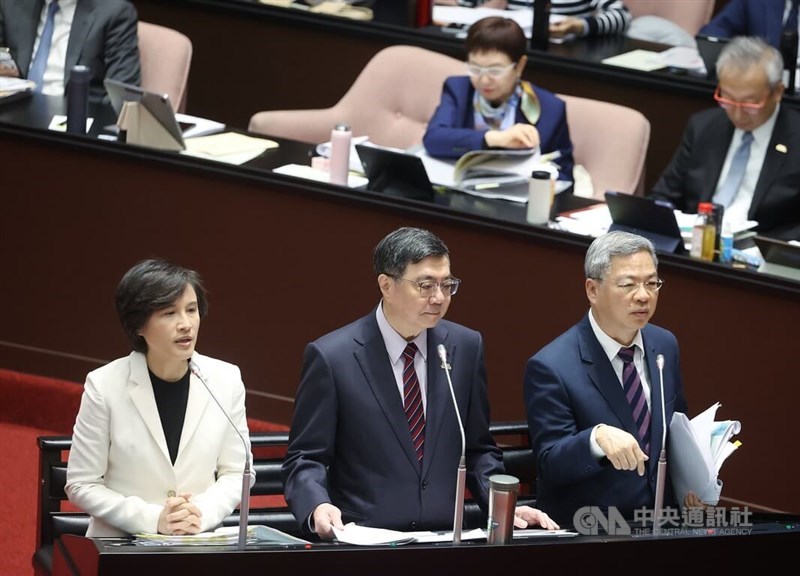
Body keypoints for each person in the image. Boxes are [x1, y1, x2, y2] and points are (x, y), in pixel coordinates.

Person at [282, 226, 558, 538]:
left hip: (443, 542)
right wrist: (317, 504)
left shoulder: (465, 347)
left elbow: (478, 448)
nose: (439, 298)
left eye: (447, 284)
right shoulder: (333, 357)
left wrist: (503, 505)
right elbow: (305, 458)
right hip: (365, 542)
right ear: (386, 285)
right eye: (425, 285)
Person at [65, 259, 254, 537]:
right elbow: (82, 483)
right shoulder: (104, 385)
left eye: (191, 310)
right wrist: (154, 519)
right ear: (138, 325)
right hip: (123, 543)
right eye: (169, 313)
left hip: (197, 541)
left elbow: (238, 472)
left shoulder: (225, 380)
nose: (186, 324)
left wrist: (197, 515)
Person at [523, 231, 689, 527]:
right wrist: (595, 439)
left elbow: (676, 428)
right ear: (592, 290)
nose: (643, 295)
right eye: (628, 285)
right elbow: (551, 463)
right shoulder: (551, 366)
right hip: (593, 530)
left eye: (652, 283)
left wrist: (693, 482)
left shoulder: (665, 345)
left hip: (663, 526)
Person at [650, 36, 800, 241]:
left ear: (777, 92)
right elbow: (664, 196)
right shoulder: (704, 127)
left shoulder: (795, 138)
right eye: (728, 99)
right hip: (696, 245)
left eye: (750, 103)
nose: (738, 114)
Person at [422, 16, 575, 184]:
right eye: (475, 68)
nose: (484, 80)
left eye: (495, 71)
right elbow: (433, 139)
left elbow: (565, 177)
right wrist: (494, 138)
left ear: (520, 66)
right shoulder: (458, 89)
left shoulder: (551, 109)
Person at [0, 0, 141, 102]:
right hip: (16, 115)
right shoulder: (12, 4)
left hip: (74, 124)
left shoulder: (115, 12)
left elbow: (123, 95)